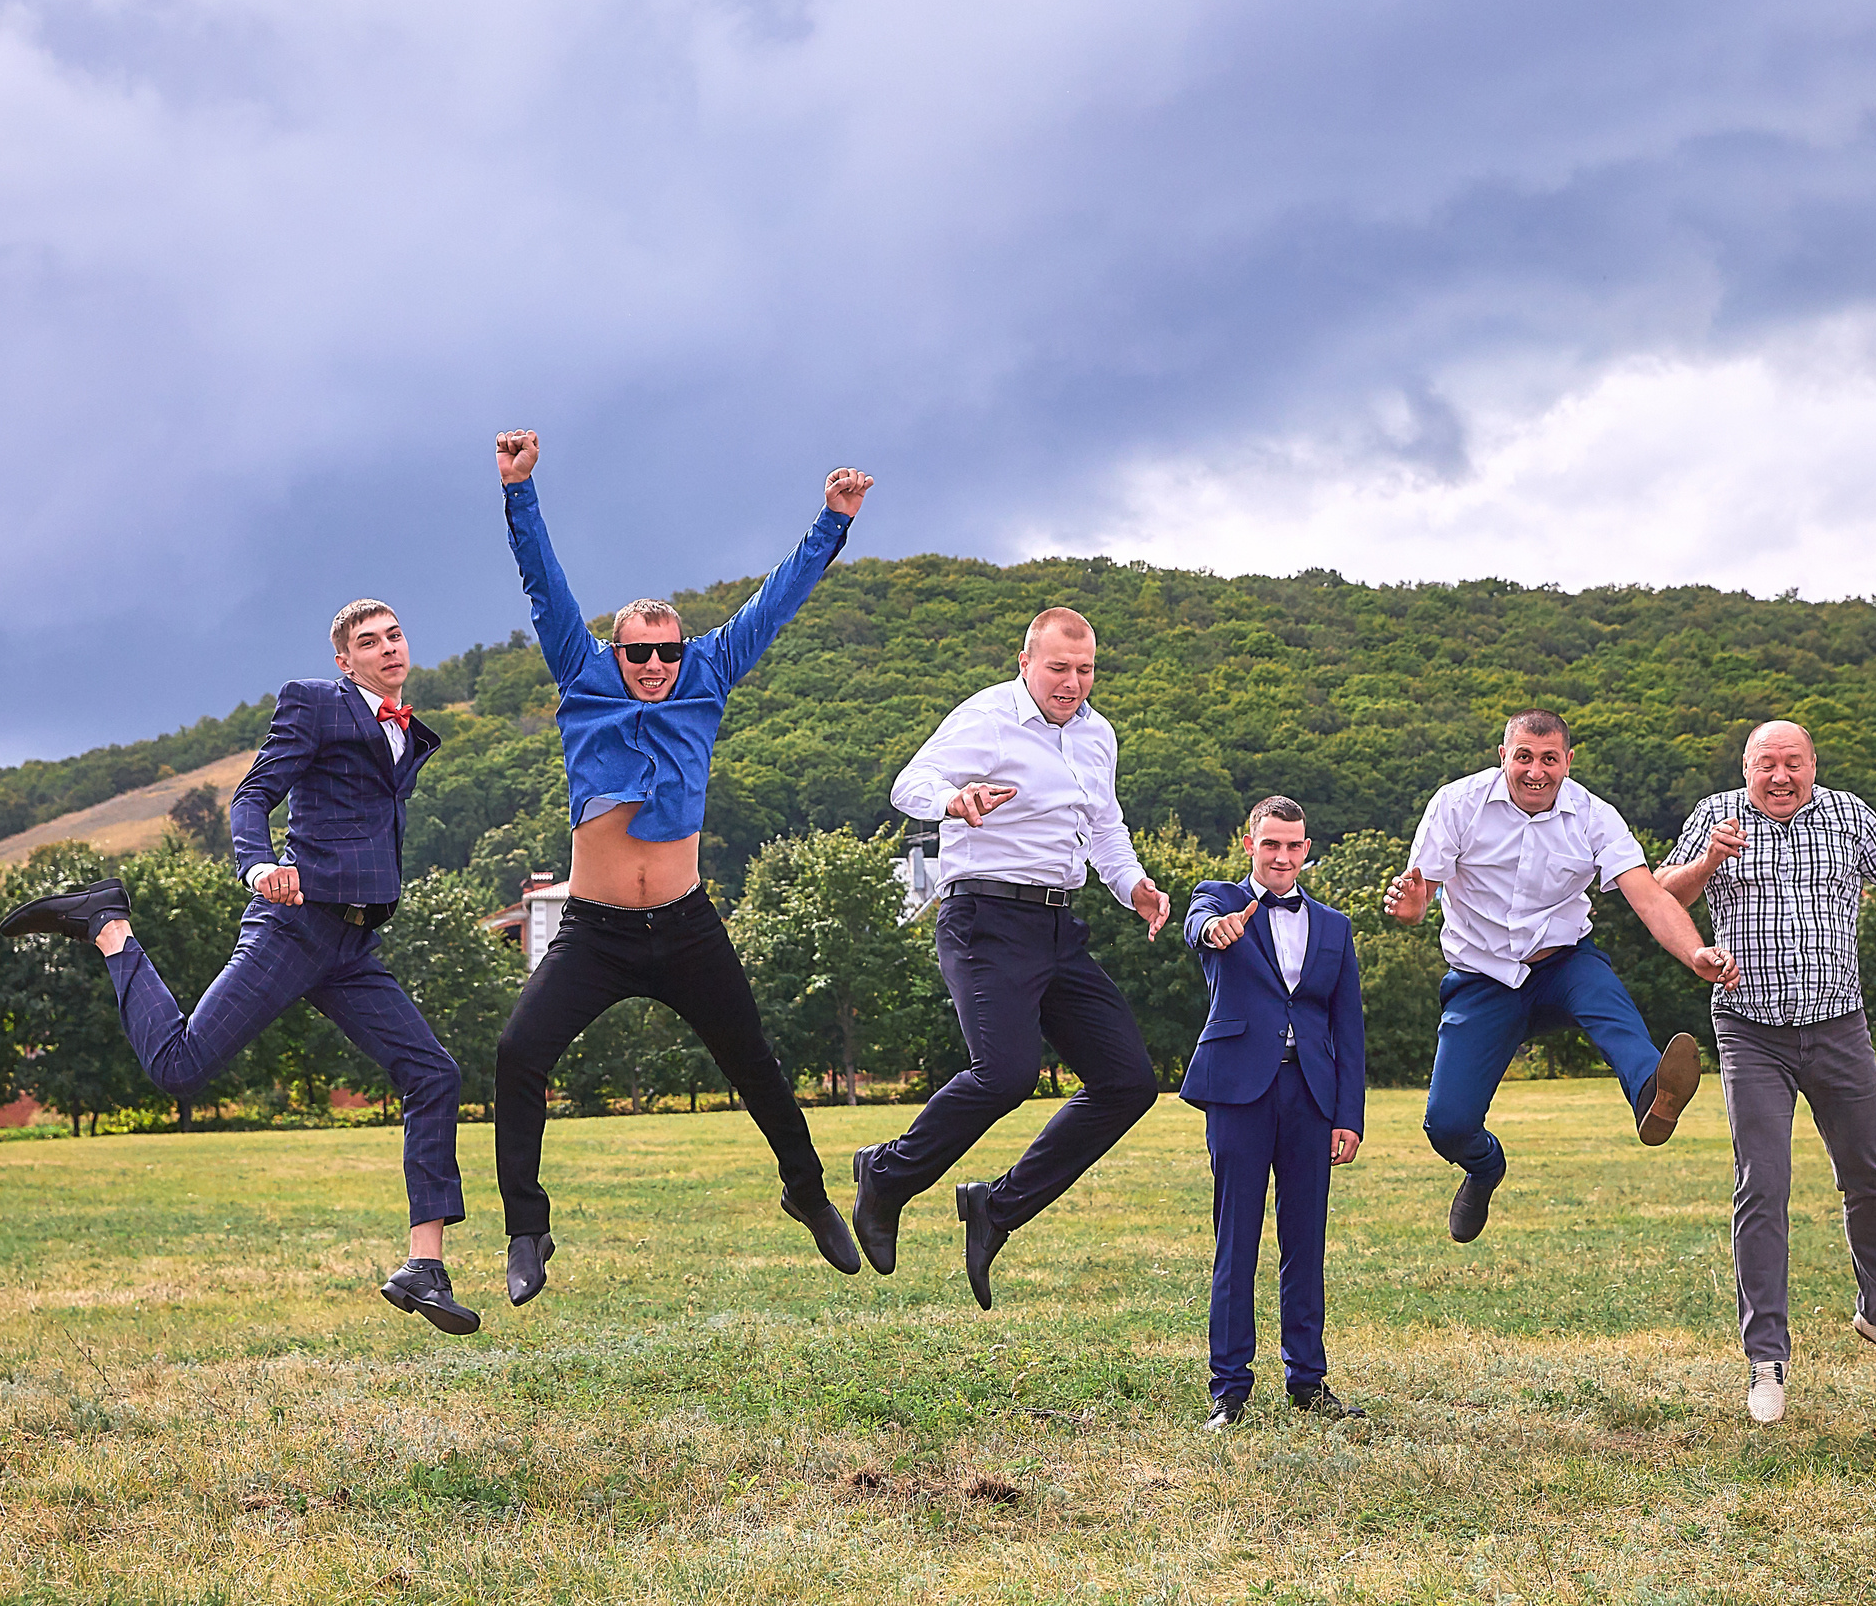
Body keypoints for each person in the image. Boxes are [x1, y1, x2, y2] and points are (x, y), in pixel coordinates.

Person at [0, 602, 476, 1332]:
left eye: (395, 635)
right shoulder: (315, 702)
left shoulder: (401, 729)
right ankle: (109, 925)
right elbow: (253, 794)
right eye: (368, 642)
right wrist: (258, 867)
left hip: (353, 945)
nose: (388, 649)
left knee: (434, 1073)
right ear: (344, 660)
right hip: (293, 926)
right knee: (180, 1066)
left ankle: (424, 1265)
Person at [490, 429, 871, 1303]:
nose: (656, 666)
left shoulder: (710, 671)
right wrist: (518, 489)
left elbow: (775, 602)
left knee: (755, 1061)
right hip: (594, 932)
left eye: (667, 651)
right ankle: (527, 1229)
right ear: (614, 653)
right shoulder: (582, 677)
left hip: (686, 924)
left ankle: (809, 1195)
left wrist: (832, 521)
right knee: (518, 1054)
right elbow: (543, 582)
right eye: (640, 653)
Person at [858, 606, 1172, 1309]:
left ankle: (995, 1208)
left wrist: (1136, 887)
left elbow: (1105, 826)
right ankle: (886, 1175)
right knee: (1004, 1074)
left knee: (1128, 1082)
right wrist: (953, 798)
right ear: (1026, 660)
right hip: (984, 916)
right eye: (1059, 668)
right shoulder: (987, 717)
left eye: (1085, 669)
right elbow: (908, 783)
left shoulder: (1098, 735)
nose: (1072, 683)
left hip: (1058, 925)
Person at [1661, 720, 1876, 1423]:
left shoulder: (1849, 814)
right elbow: (1665, 896)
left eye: (1793, 763)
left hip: (1839, 1025)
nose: (1780, 776)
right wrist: (1708, 861)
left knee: (1870, 1175)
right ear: (1745, 767)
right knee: (1763, 1185)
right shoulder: (1714, 819)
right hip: (1751, 1031)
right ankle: (1766, 1360)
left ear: (1813, 765)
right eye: (1766, 764)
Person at [1384, 709, 1737, 1244]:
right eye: (1523, 756)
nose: (1536, 770)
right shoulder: (1455, 805)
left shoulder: (1594, 816)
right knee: (1447, 1126)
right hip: (1481, 979)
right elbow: (1417, 901)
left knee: (1608, 1005)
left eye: (1549, 759)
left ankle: (1653, 1095)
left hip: (1562, 963)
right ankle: (1484, 1167)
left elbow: (1648, 896)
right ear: (1503, 756)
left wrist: (1696, 954)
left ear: (1568, 762)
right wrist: (1409, 908)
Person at [1181, 796, 1367, 1429]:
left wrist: (1350, 1113)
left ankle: (1307, 1383)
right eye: (1271, 845)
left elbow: (1349, 1026)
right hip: (1239, 1091)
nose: (1282, 857)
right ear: (1249, 845)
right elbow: (1198, 923)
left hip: (1312, 1096)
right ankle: (1228, 1391)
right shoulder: (1218, 899)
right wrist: (1216, 927)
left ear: (1307, 849)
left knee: (1305, 1242)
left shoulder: (1336, 927)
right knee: (1236, 1241)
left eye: (1294, 846)